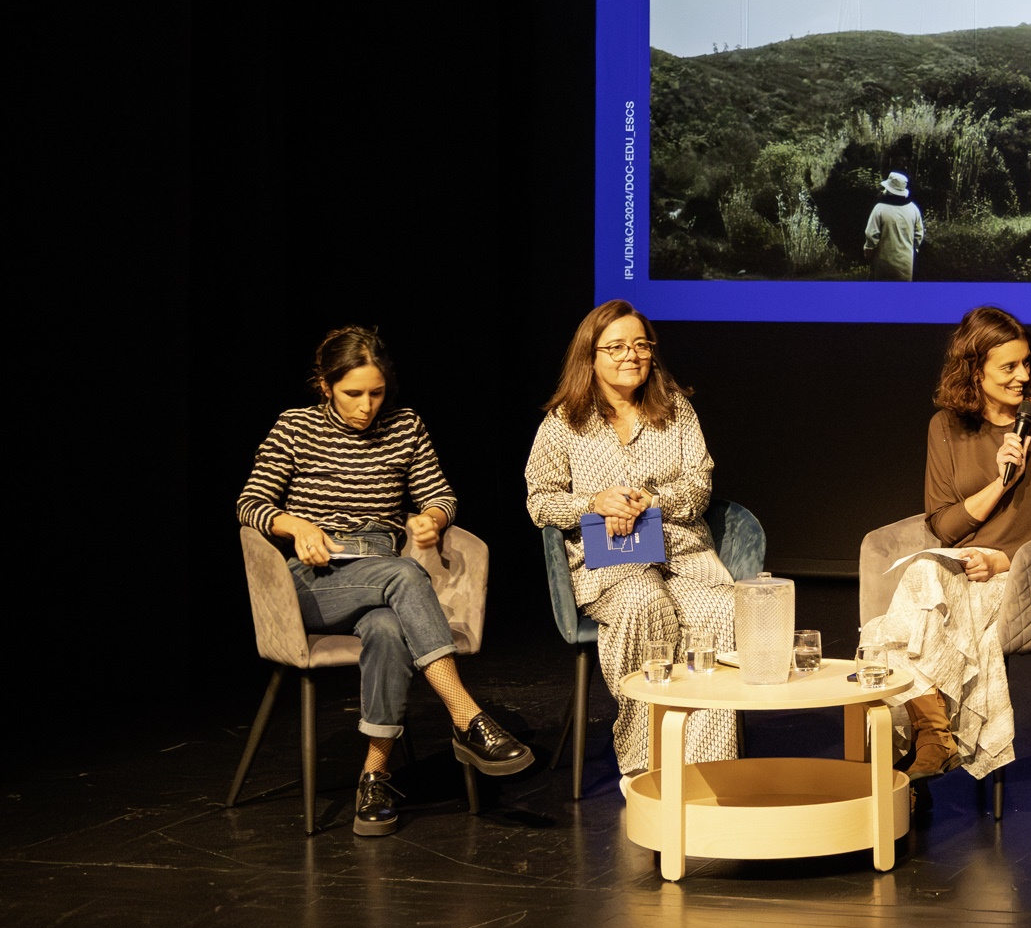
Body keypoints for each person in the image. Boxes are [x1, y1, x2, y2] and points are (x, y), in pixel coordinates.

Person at [236, 326, 531, 838]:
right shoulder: (294, 427)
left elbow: (440, 495)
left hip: (384, 573)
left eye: (376, 393)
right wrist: (297, 525)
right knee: (404, 573)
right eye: (353, 394)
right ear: (325, 386)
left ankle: (373, 778)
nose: (366, 406)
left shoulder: (405, 426)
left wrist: (432, 520)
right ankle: (466, 717)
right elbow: (250, 503)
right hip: (315, 579)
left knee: (390, 628)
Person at [861, 306, 1031, 782]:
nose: (1023, 376)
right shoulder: (945, 427)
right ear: (974, 370)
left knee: (903, 616)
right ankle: (932, 740)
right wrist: (1001, 483)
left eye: (1026, 363)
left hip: (1027, 579)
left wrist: (1004, 559)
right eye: (1009, 367)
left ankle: (925, 747)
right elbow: (943, 525)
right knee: (925, 577)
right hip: (958, 567)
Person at [524, 300, 737, 781]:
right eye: (616, 346)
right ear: (590, 355)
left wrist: (651, 500)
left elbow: (700, 484)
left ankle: (707, 767)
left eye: (641, 344)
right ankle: (645, 765)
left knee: (719, 611)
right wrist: (594, 503)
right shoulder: (564, 422)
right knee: (643, 600)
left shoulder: (675, 409)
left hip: (683, 555)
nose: (632, 355)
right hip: (613, 566)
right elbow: (540, 502)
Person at [864, 171, 925, 280]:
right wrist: (912, 250)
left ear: (888, 190)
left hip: (883, 262)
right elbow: (919, 234)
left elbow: (871, 235)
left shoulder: (879, 208)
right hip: (906, 263)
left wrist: (868, 251)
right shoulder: (913, 209)